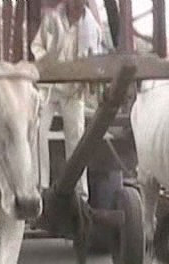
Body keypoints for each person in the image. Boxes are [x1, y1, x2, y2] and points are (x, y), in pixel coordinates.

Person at [31, 0, 103, 202]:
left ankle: (80, 194)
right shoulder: (51, 21)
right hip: (48, 88)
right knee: (37, 132)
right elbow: (36, 45)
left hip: (73, 90)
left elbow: (95, 60)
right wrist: (46, 61)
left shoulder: (92, 28)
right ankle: (40, 187)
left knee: (77, 139)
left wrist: (88, 78)